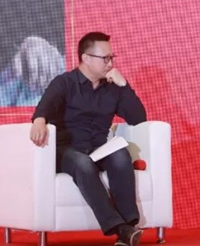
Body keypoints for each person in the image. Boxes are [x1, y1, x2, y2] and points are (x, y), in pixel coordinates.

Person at [29, 32, 147, 246]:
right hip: (67, 151)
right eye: (105, 58)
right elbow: (44, 108)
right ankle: (120, 229)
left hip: (98, 149)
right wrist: (39, 121)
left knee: (120, 155)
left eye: (112, 57)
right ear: (86, 58)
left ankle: (130, 224)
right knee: (82, 163)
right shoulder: (65, 82)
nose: (110, 63)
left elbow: (138, 118)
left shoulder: (113, 87)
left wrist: (124, 85)